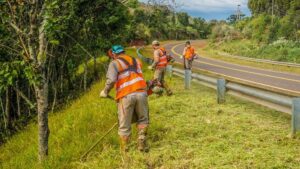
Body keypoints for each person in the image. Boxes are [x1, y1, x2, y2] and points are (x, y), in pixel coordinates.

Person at [100, 45, 150, 153]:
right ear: (123, 51)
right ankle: (141, 140)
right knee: (143, 119)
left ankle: (125, 151)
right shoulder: (136, 60)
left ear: (113, 54)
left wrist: (105, 91)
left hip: (126, 96)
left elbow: (112, 80)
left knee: (124, 125)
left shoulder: (114, 63)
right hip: (141, 93)